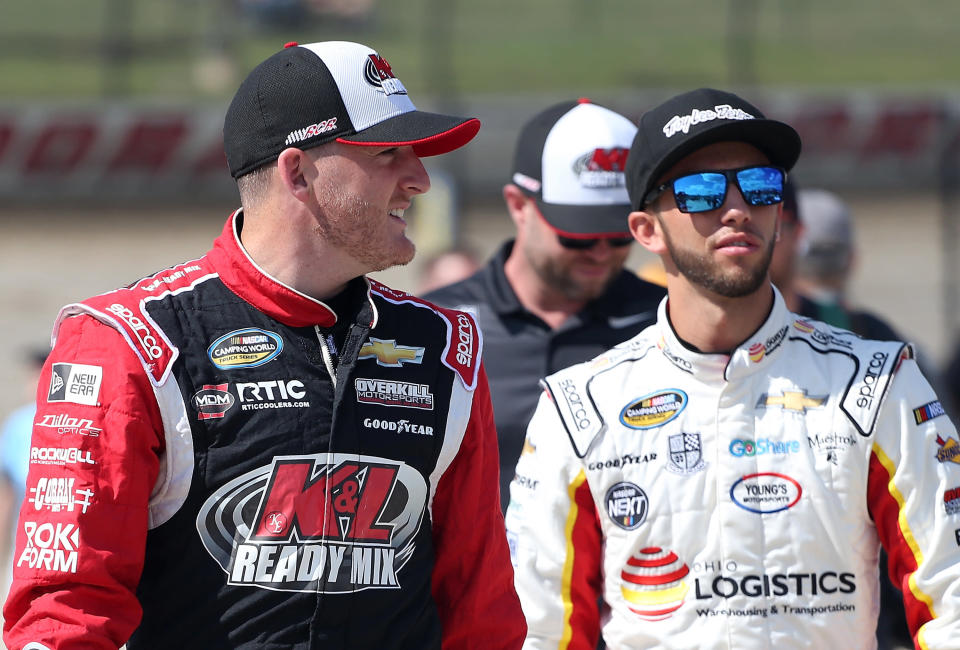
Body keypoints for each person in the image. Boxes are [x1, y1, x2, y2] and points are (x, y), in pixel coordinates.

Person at [3, 41, 525, 649]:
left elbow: (480, 606)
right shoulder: (128, 341)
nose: (420, 180)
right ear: (298, 171)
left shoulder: (444, 345)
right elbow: (64, 611)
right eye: (388, 154)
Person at [506, 87, 960, 648]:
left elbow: (951, 598)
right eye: (701, 191)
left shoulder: (878, 383)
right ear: (647, 232)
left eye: (761, 185)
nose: (737, 208)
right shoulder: (580, 407)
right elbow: (540, 628)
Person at [424, 99, 666, 511]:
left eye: (620, 235)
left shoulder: (665, 322)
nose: (602, 253)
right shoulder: (436, 326)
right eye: (579, 236)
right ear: (519, 206)